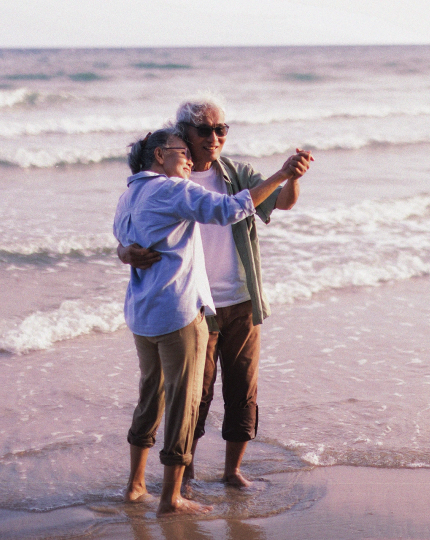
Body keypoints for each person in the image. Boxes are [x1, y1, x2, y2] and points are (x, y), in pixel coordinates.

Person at [119, 95, 312, 488]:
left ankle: (230, 471)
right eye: (204, 130)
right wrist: (124, 251)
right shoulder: (168, 182)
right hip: (194, 306)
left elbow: (282, 204)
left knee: (241, 390)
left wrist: (290, 177)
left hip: (240, 298)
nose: (214, 137)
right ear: (182, 135)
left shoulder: (236, 172)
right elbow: (132, 226)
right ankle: (182, 476)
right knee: (194, 396)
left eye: (221, 129)